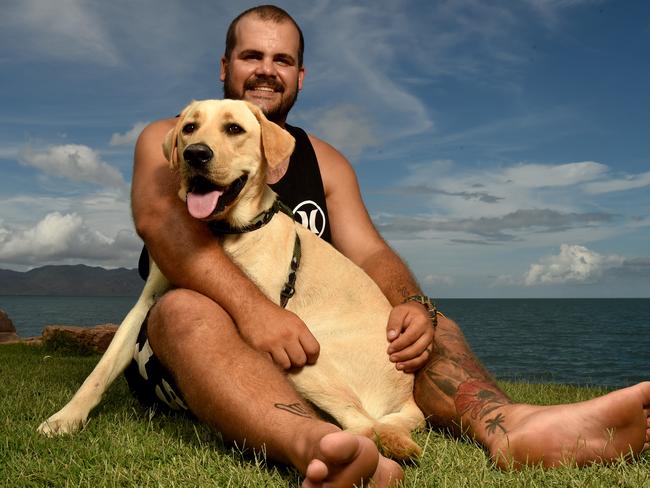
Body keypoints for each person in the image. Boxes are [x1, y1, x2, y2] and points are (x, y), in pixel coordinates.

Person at [128, 5, 650, 487]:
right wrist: (255, 312)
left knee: (428, 321)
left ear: (300, 77)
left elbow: (372, 252)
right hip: (195, 346)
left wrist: (412, 305)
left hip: (306, 342)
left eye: (282, 60)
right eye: (252, 56)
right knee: (183, 310)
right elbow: (165, 227)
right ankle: (321, 447)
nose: (267, 70)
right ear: (224, 66)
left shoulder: (325, 161)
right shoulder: (175, 133)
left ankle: (510, 426)